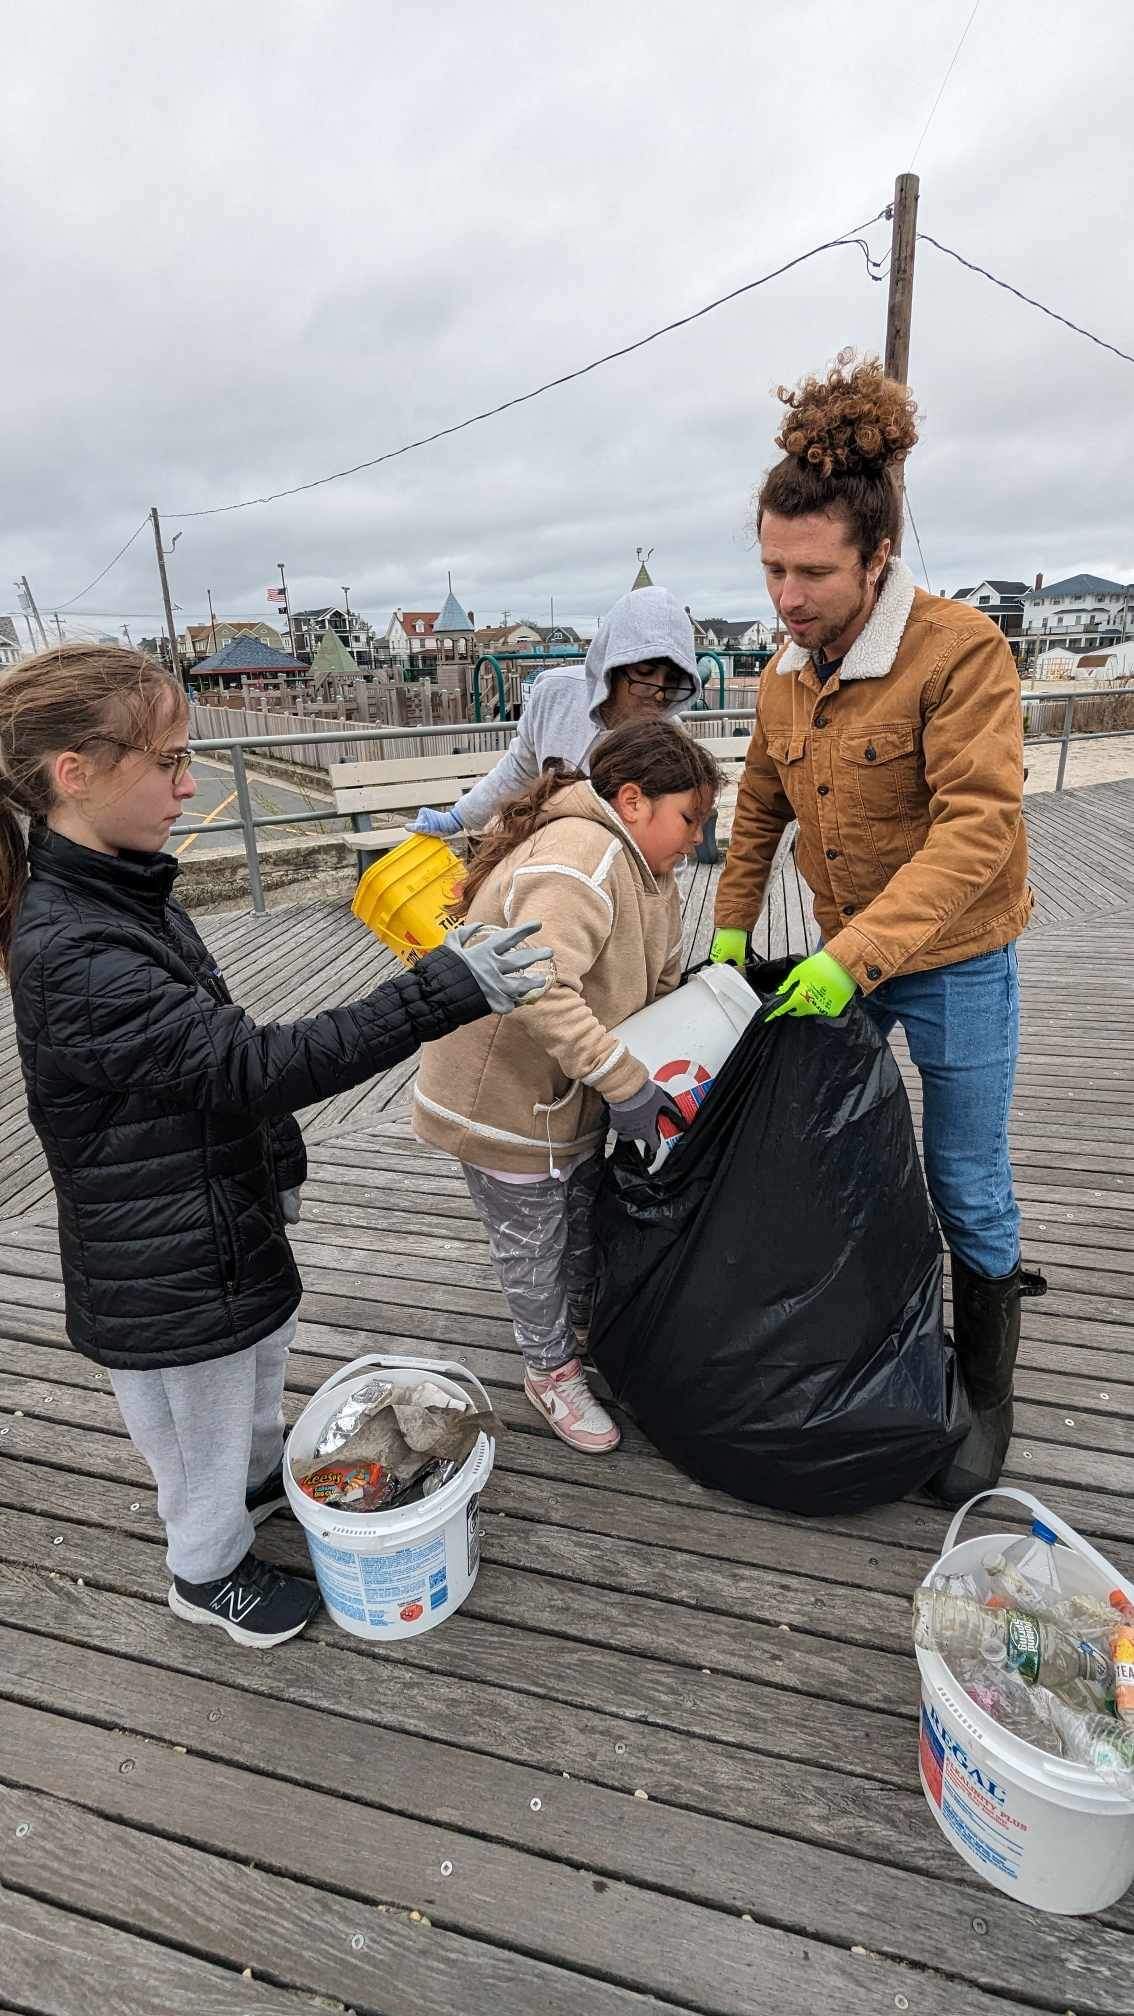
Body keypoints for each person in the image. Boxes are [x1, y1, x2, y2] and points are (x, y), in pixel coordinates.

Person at [0, 644, 547, 1648]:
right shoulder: (71, 947)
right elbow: (250, 1064)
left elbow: (208, 1056)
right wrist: (439, 989)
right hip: (158, 1259)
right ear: (71, 772)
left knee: (256, 1378)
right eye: (167, 762)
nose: (187, 784)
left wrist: (278, 1163)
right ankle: (203, 1571)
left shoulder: (127, 887)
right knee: (198, 1433)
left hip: (213, 1214)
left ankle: (258, 1490)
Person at [710, 352, 1042, 1505]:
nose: (786, 598)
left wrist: (849, 956)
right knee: (844, 1158)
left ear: (879, 556)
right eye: (770, 569)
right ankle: (881, 1339)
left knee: (968, 1181)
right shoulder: (781, 676)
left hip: (952, 961)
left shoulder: (962, 654)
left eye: (811, 573)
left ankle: (990, 1394)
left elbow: (978, 833)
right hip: (842, 961)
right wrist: (726, 934)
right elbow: (755, 808)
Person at [413, 717, 722, 1453]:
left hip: (565, 1092)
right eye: (690, 818)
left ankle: (581, 1337)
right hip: (502, 1100)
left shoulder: (653, 870)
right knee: (533, 1241)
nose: (696, 839)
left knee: (580, 1220)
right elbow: (538, 986)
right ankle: (549, 1370)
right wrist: (626, 1082)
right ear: (635, 800)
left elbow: (661, 978)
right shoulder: (580, 857)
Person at [413, 585, 702, 837]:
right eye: (645, 671)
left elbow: (669, 832)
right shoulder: (555, 694)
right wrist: (460, 817)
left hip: (625, 870)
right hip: (550, 851)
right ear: (613, 662)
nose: (657, 692)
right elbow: (519, 768)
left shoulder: (669, 737)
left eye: (674, 681)